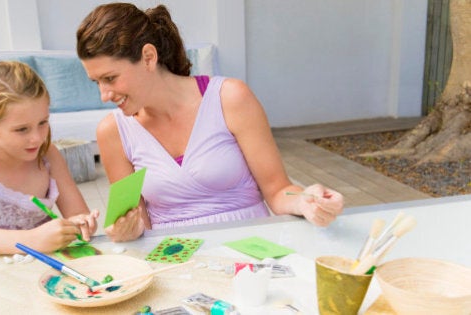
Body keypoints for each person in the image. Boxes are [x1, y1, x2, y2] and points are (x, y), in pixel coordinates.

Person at [76, 3, 344, 242]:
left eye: (110, 78)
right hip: (176, 263)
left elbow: (278, 190)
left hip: (252, 251)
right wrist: (128, 231)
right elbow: (137, 222)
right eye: (96, 82)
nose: (104, 95)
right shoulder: (113, 131)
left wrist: (307, 200)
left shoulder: (230, 98)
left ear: (148, 57)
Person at [0, 61, 99, 256]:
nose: (37, 138)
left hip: (43, 270)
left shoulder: (48, 155)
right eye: (22, 129)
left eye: (43, 122)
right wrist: (32, 241)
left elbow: (78, 215)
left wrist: (80, 224)